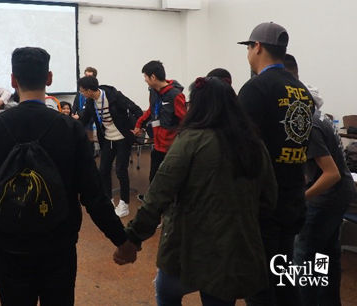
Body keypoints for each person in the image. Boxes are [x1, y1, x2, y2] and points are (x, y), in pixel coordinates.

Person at [0, 47, 130, 306]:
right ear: (49, 78)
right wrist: (121, 239)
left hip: (10, 248)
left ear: (13, 81)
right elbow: (94, 195)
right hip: (59, 247)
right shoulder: (70, 129)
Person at [115, 76, 277, 305]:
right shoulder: (254, 144)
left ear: (197, 105)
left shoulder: (190, 140)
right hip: (232, 254)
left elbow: (158, 195)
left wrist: (133, 239)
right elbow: (269, 199)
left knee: (166, 292)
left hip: (186, 250)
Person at [237, 22, 315, 306]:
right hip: (293, 198)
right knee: (283, 277)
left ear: (257, 47)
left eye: (248, 47)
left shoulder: (255, 89)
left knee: (259, 282)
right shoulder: (302, 91)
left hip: (263, 204)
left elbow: (240, 150)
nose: (248, 53)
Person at [285, 54, 356, 306]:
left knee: (303, 257)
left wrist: (300, 197)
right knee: (325, 256)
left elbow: (331, 173)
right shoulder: (318, 117)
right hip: (338, 195)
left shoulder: (308, 123)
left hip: (326, 198)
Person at [78, 75, 143, 218]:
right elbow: (84, 120)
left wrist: (138, 127)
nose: (81, 93)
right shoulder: (91, 102)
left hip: (122, 138)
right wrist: (71, 124)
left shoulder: (114, 96)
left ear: (89, 90)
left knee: (120, 170)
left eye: (82, 91)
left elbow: (136, 109)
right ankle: (109, 201)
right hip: (108, 139)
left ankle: (124, 204)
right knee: (103, 170)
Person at [132, 60, 186, 188]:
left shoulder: (175, 95)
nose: (145, 80)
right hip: (158, 145)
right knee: (153, 178)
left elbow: (184, 121)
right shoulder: (153, 91)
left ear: (153, 77)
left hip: (171, 148)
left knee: (170, 181)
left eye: (145, 76)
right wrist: (139, 124)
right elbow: (151, 110)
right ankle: (153, 199)